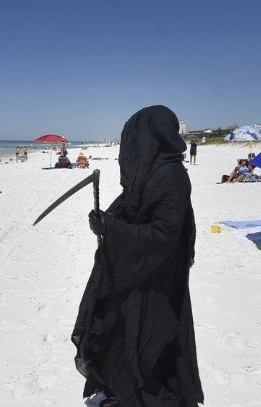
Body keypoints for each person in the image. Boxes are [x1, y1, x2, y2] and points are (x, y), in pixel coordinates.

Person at [75, 105, 203, 406]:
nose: (132, 146)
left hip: (157, 277)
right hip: (141, 270)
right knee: (115, 325)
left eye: (136, 137)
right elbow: (132, 210)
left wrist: (112, 228)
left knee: (147, 342)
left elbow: (162, 235)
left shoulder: (171, 177)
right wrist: (106, 222)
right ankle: (120, 389)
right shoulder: (152, 171)